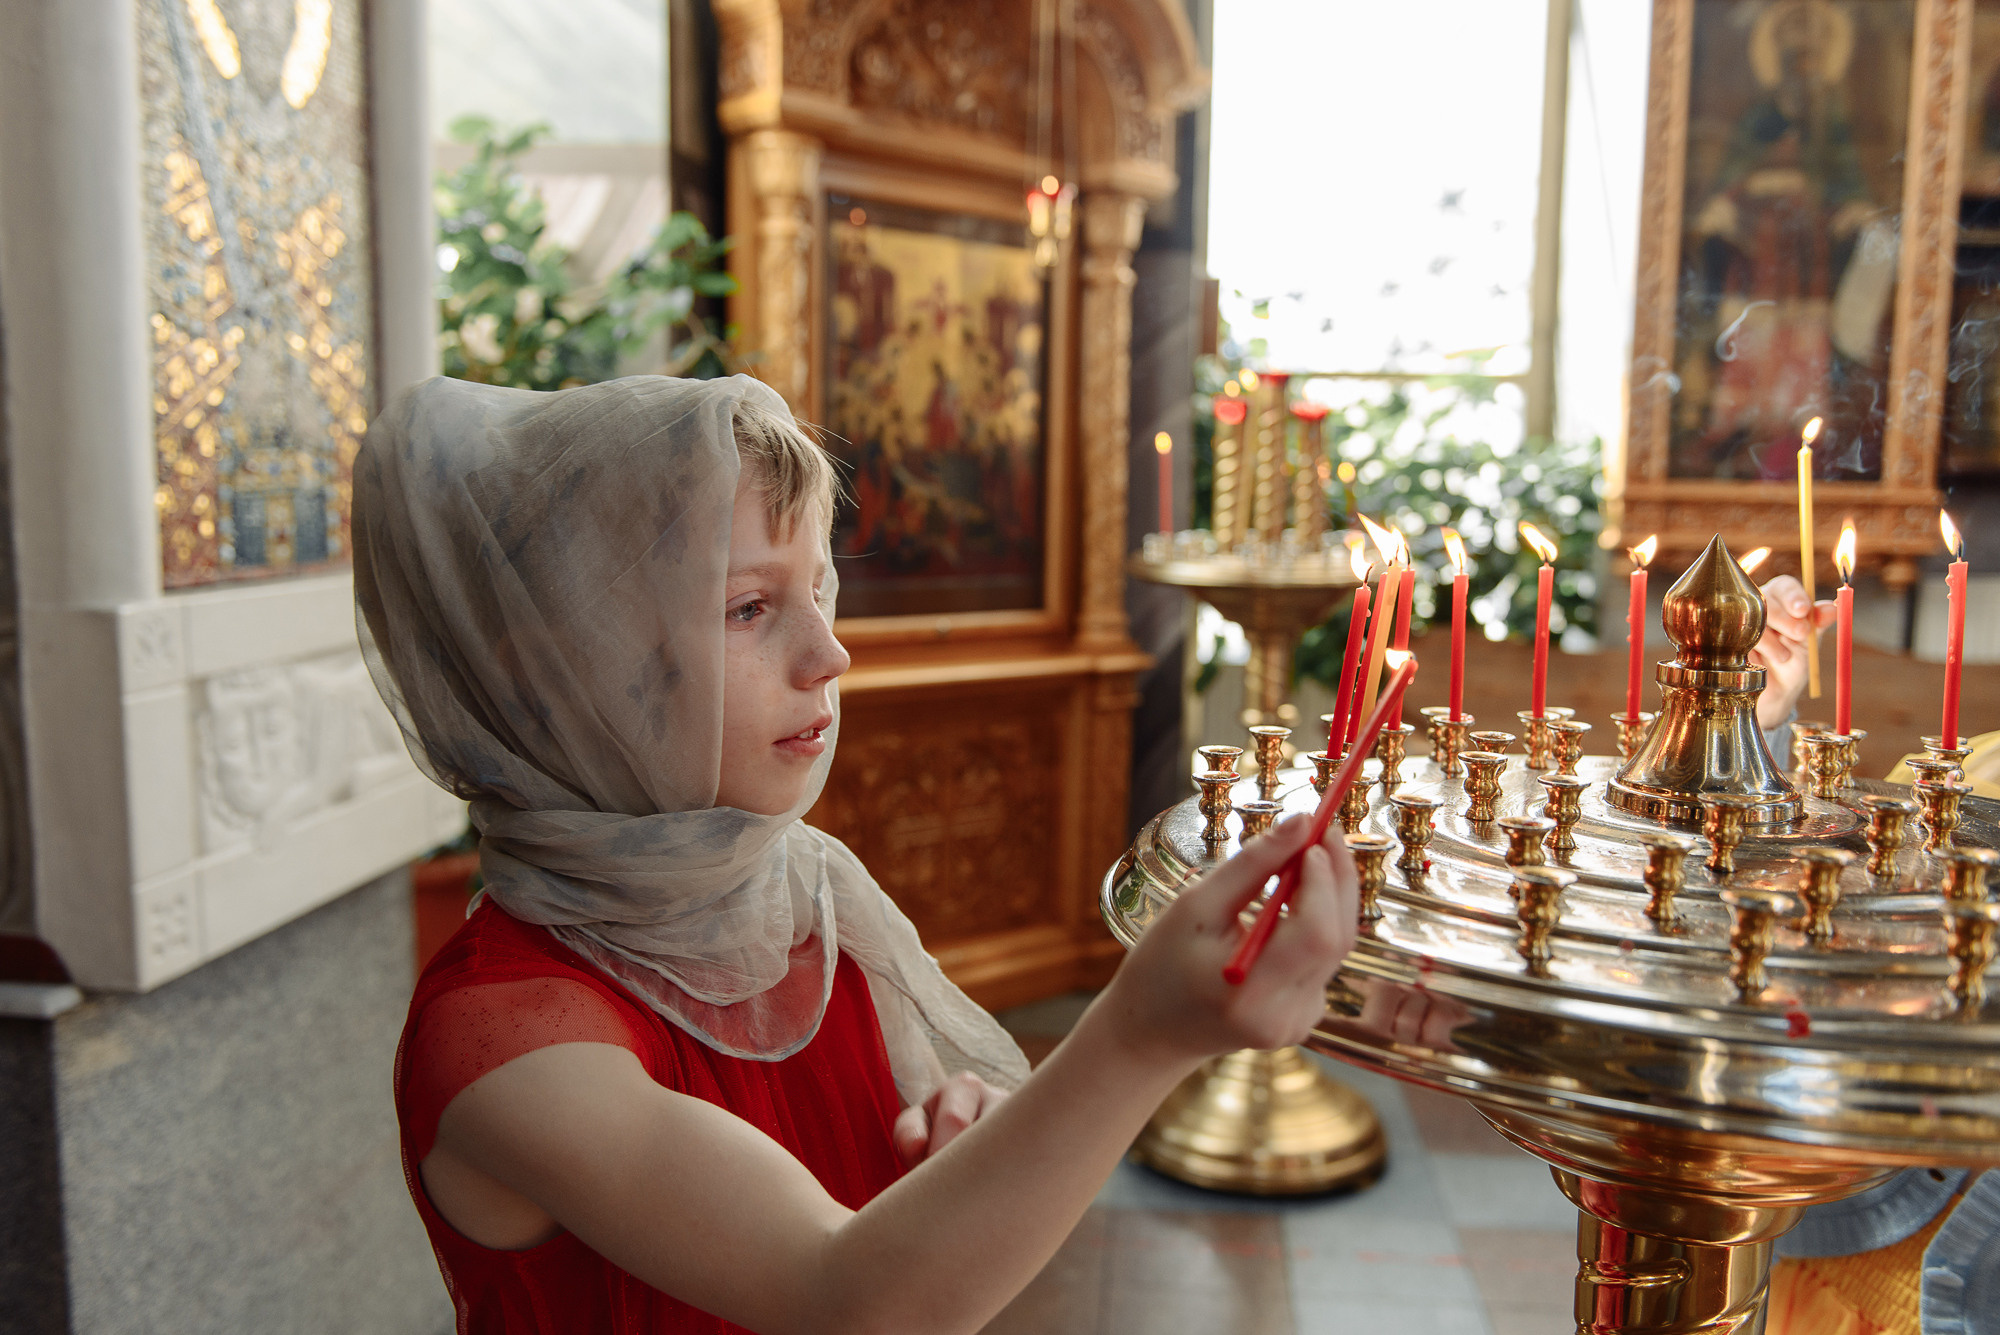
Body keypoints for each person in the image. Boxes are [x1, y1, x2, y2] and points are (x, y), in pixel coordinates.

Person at [356, 374, 1362, 1335]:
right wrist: (1141, 1031)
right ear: (558, 674)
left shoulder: (793, 896)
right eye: (748, 607)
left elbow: (892, 1231)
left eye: (816, 589)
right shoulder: (503, 1041)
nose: (829, 654)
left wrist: (952, 1156)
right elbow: (847, 1296)